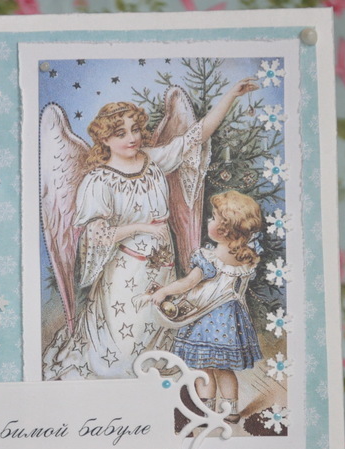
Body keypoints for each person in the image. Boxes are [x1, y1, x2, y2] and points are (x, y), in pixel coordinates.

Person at [43, 79, 258, 380]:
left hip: (162, 265)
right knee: (121, 350)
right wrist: (140, 227)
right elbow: (96, 236)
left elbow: (197, 135)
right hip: (125, 271)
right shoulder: (98, 181)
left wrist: (231, 94)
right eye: (121, 133)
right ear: (104, 139)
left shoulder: (153, 159)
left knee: (159, 326)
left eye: (135, 129)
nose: (132, 138)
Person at [151, 191, 264, 423]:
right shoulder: (244, 258)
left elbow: (187, 283)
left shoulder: (209, 259)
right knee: (224, 369)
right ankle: (231, 411)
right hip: (231, 323)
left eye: (213, 218)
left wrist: (164, 291)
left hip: (206, 322)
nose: (208, 221)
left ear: (224, 230)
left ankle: (205, 411)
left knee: (203, 369)